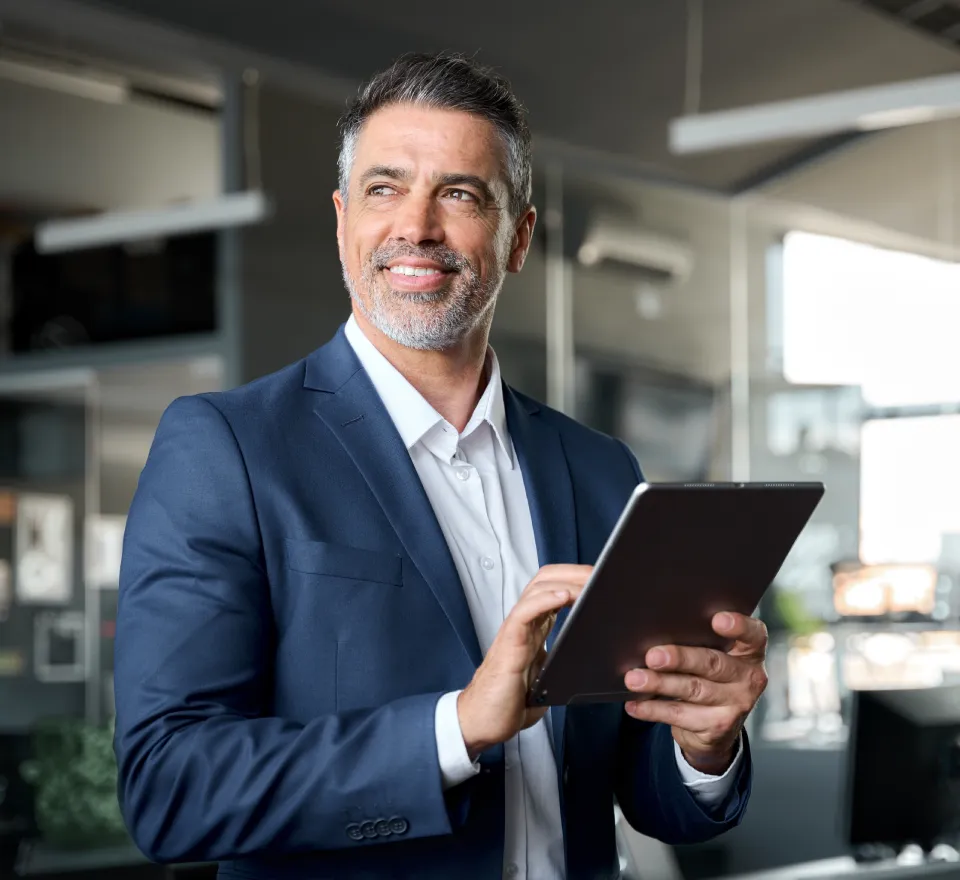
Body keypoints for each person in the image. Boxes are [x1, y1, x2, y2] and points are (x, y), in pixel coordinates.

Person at [114, 52, 768, 880]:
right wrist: (454, 730)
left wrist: (703, 741)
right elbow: (170, 788)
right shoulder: (227, 449)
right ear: (343, 217)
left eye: (460, 194)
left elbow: (643, 792)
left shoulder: (599, 469)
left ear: (518, 237)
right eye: (385, 189)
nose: (416, 226)